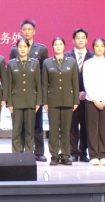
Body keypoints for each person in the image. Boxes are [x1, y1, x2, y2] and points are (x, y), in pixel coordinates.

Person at [9, 19, 49, 162]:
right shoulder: (14, 49)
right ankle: (19, 152)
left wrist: (40, 97)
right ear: (21, 31)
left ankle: (38, 152)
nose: (27, 32)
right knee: (19, 127)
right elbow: (10, 75)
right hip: (19, 95)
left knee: (36, 125)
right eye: (24, 29)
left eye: (29, 29)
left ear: (34, 31)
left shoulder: (41, 49)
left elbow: (44, 72)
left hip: (34, 94)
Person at [42, 37, 78, 166]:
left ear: (64, 46)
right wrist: (45, 102)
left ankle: (66, 155)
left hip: (68, 99)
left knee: (66, 129)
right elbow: (44, 84)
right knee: (53, 130)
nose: (58, 46)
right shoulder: (47, 62)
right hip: (53, 100)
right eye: (55, 44)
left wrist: (75, 101)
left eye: (60, 44)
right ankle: (54, 155)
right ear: (52, 47)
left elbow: (75, 82)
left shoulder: (71, 61)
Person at [82, 38, 105, 165]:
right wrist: (95, 99)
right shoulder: (88, 64)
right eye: (97, 46)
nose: (99, 48)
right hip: (92, 100)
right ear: (93, 47)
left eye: (102, 46)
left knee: (104, 129)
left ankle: (104, 154)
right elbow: (87, 82)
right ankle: (94, 155)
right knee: (92, 128)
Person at [7, 38, 41, 154]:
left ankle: (29, 154)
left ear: (28, 48)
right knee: (16, 130)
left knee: (29, 131)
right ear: (17, 48)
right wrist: (9, 103)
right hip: (16, 101)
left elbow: (38, 83)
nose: (22, 49)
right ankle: (17, 155)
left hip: (31, 101)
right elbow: (8, 84)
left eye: (24, 47)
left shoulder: (35, 63)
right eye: (20, 47)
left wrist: (38, 102)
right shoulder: (11, 63)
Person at [64, 28, 94, 162]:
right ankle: (73, 152)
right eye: (78, 38)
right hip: (71, 96)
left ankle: (83, 152)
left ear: (86, 40)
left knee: (86, 125)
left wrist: (86, 91)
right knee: (72, 125)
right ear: (73, 40)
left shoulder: (92, 56)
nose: (80, 40)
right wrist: (75, 93)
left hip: (88, 96)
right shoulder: (67, 55)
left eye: (83, 38)